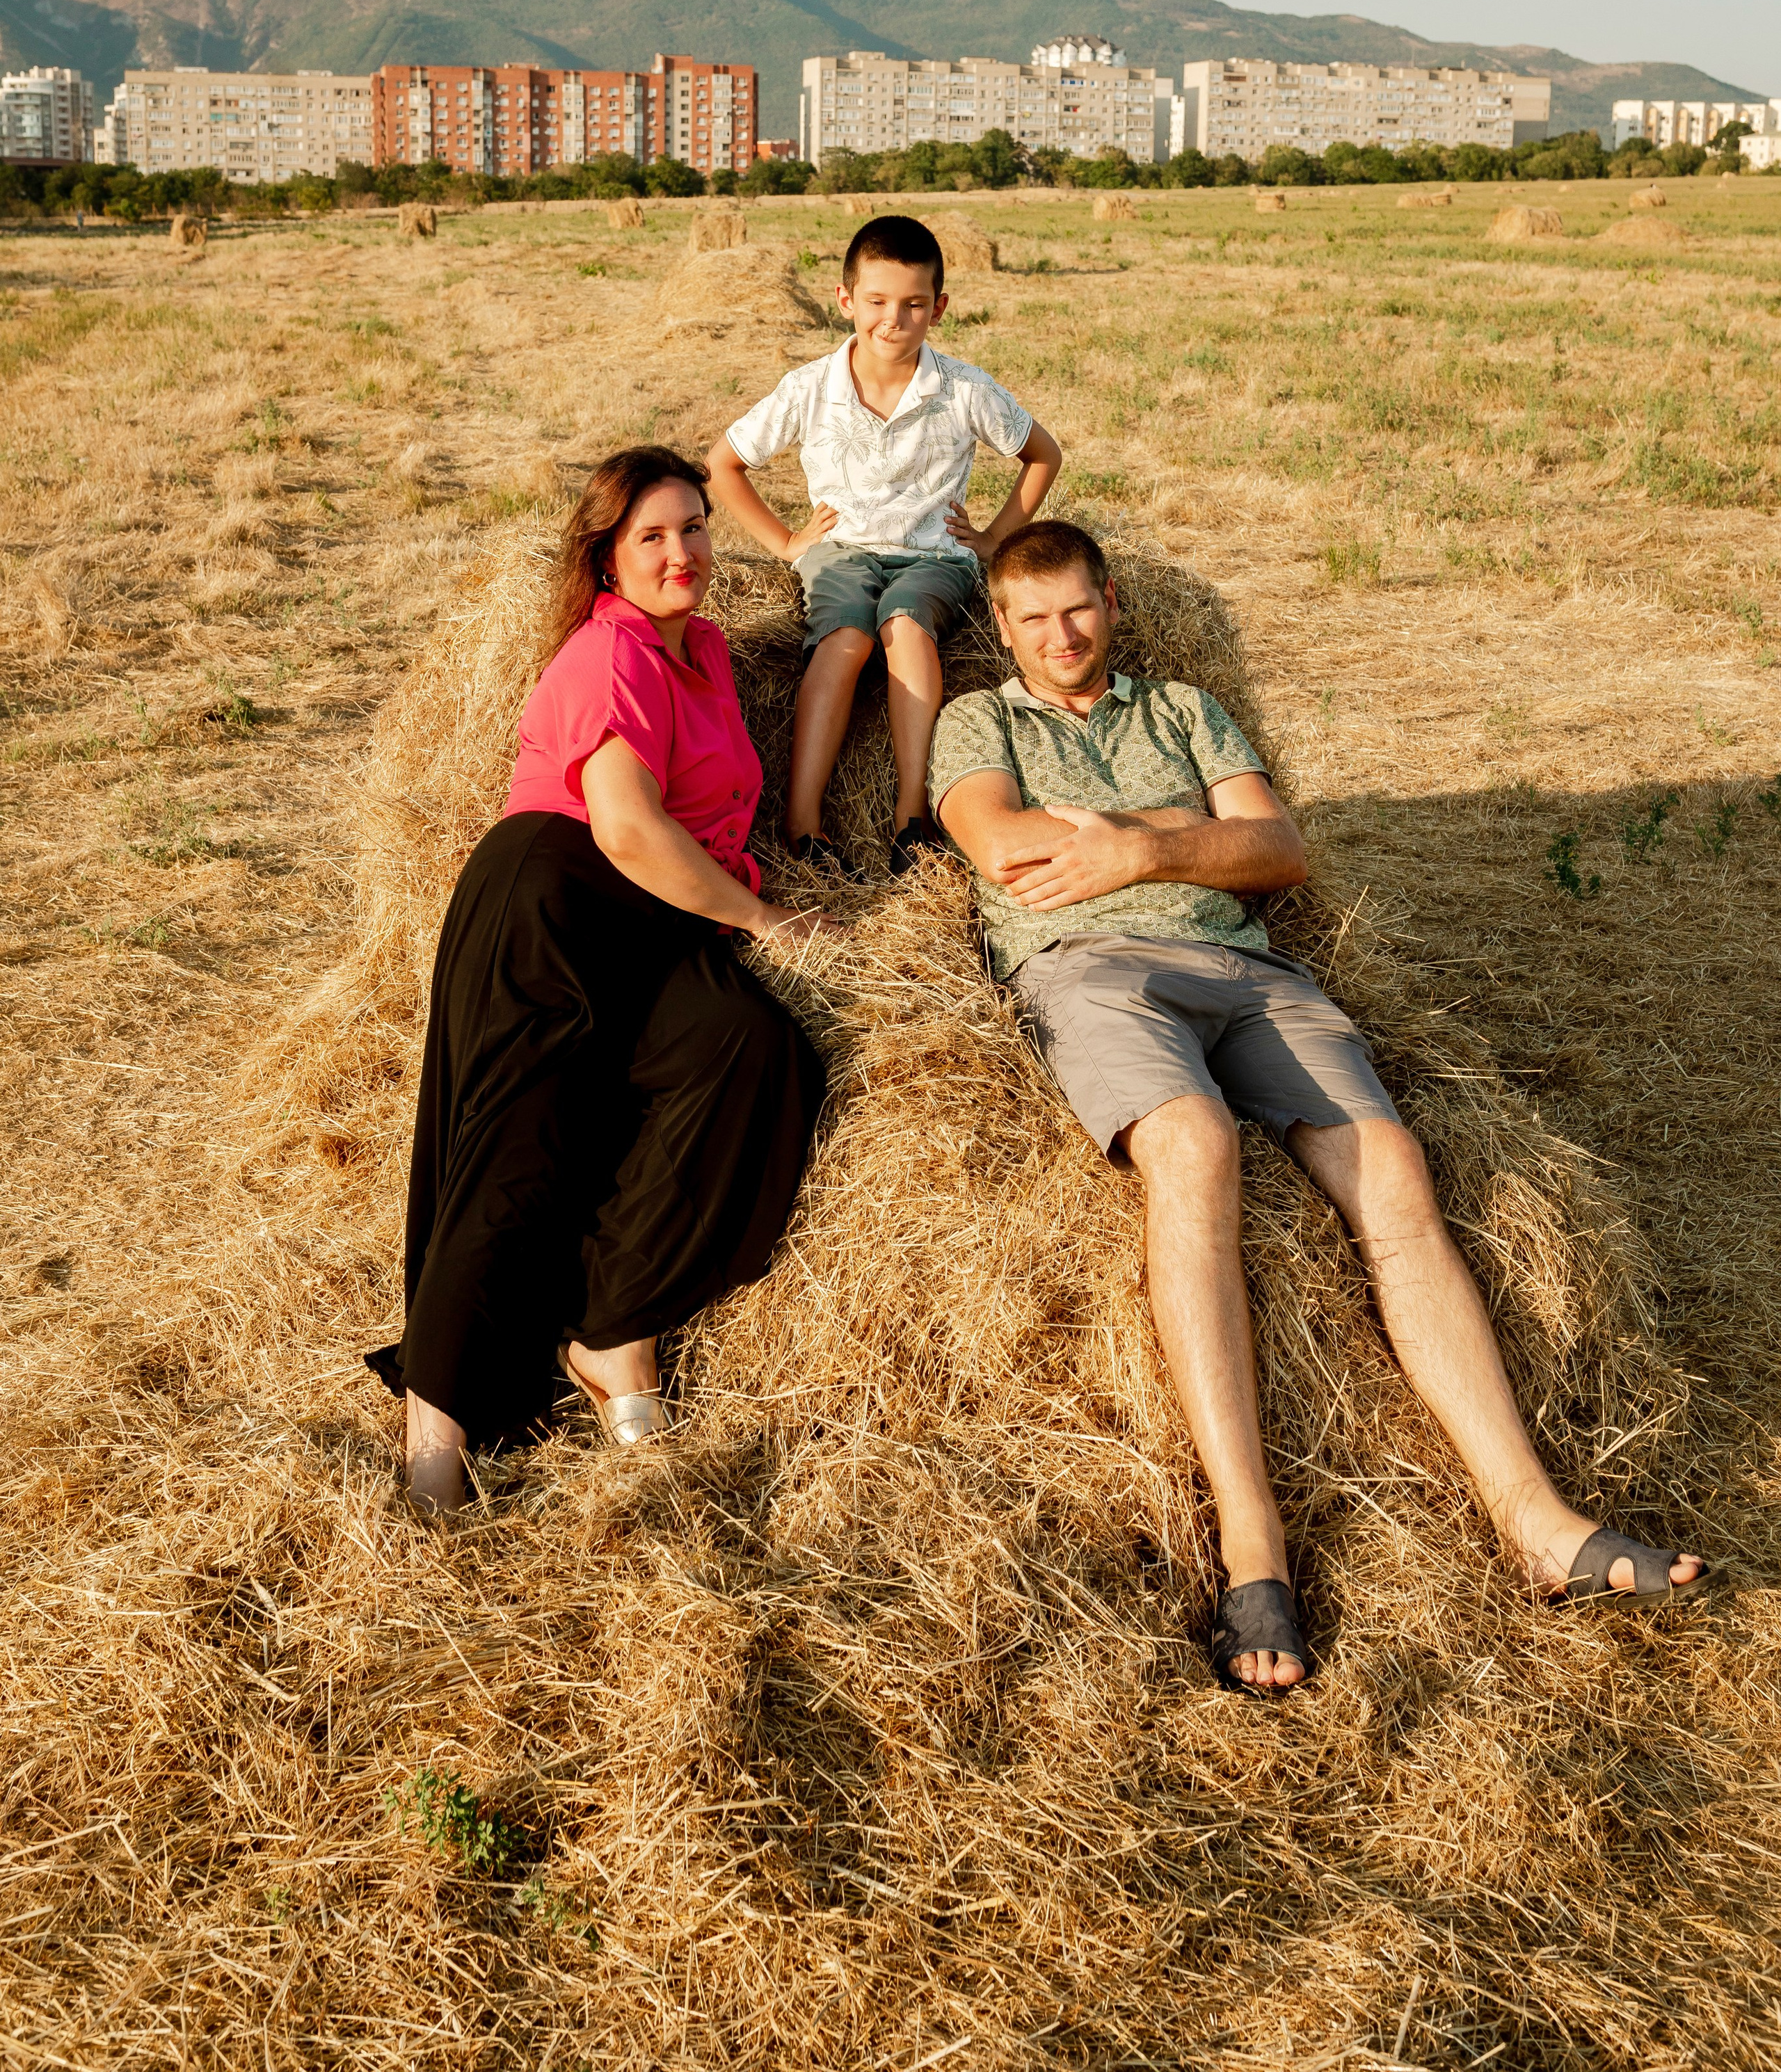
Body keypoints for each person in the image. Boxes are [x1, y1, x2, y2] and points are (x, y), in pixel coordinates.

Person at [928, 520, 1710, 1696]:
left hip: (1249, 971)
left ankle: (1534, 1521)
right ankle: (1255, 1554)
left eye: (1078, 607)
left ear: (1113, 601)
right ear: (1001, 626)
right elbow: (999, 843)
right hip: (1090, 968)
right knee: (1192, 1145)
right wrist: (1196, 834)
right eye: (1033, 618)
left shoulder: (1185, 709)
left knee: (1390, 1164)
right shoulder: (980, 723)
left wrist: (1137, 848)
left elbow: (1280, 849)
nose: (1061, 635)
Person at [369, 446, 833, 1513]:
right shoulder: (606, 654)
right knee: (518, 1146)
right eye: (652, 537)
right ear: (607, 559)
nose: (683, 552)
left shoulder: (703, 651)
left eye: (695, 527)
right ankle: (433, 1444)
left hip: (659, 909)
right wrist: (765, 919)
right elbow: (625, 827)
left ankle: (614, 1328)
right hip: (557, 892)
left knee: (749, 1050)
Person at [708, 214, 1060, 878]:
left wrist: (993, 539)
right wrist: (785, 542)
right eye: (876, 302)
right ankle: (803, 821)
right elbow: (722, 463)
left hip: (934, 557)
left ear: (939, 308)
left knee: (905, 626)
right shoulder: (810, 387)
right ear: (846, 300)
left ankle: (911, 816)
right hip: (840, 552)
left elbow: (1043, 454)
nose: (893, 320)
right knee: (845, 638)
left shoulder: (964, 388)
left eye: (913, 305)